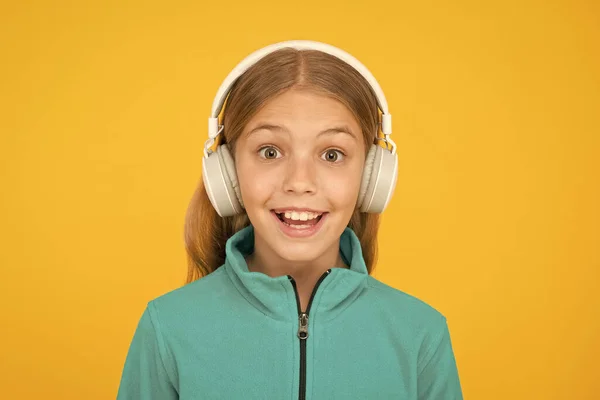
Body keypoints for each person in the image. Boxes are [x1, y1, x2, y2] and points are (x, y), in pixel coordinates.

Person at [116, 40, 463, 399]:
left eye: (332, 154)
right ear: (228, 172)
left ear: (372, 176)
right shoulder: (168, 326)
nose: (300, 182)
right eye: (270, 151)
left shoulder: (420, 334)